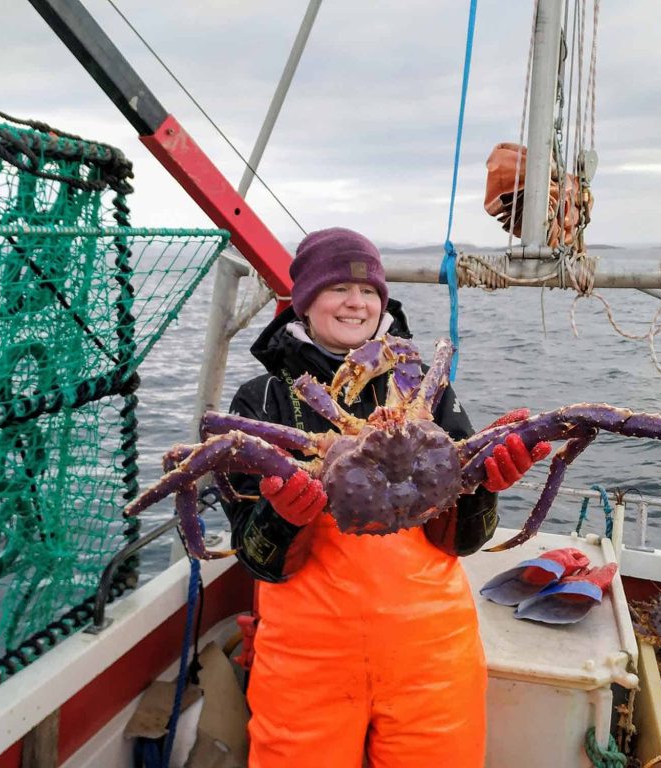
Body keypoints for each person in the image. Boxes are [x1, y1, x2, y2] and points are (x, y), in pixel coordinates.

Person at [221, 227, 550, 768]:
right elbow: (258, 561)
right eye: (338, 290)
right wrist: (281, 519)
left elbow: (465, 540)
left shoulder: (425, 390)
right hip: (308, 658)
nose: (357, 302)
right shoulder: (261, 401)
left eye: (370, 291)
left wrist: (484, 488)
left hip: (430, 650)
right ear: (303, 303)